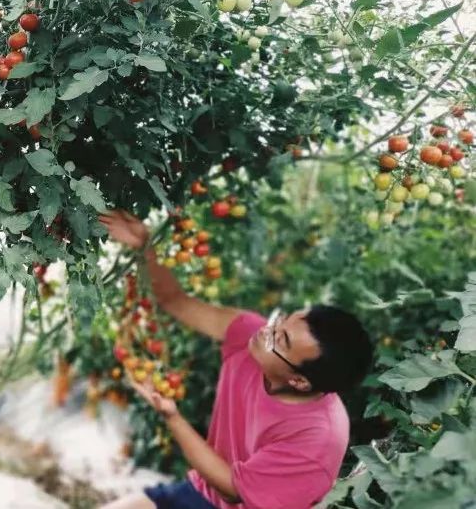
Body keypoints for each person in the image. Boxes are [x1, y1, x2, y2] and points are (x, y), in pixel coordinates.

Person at [97, 210, 373, 509]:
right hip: (203, 492)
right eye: (281, 321)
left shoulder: (318, 438)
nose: (267, 330)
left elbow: (233, 490)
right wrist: (144, 246)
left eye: (280, 339)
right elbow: (176, 301)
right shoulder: (250, 336)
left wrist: (172, 417)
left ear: (299, 380)